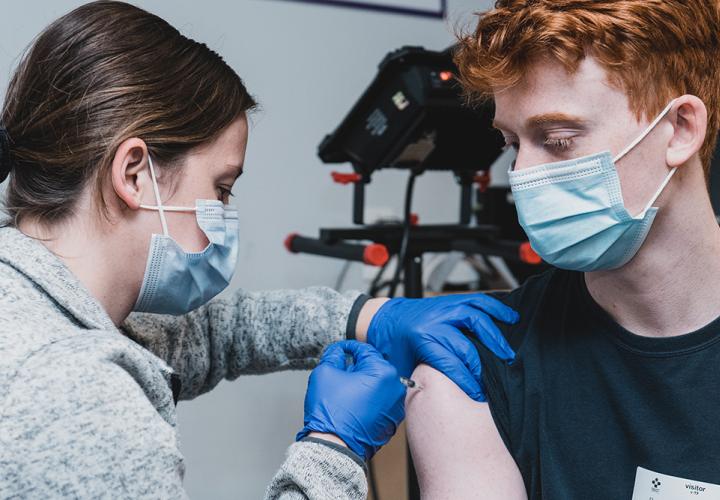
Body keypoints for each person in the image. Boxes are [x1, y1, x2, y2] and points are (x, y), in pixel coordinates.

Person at [0, 2, 519, 498]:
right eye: (222, 188)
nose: (225, 212)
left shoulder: (30, 294)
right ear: (134, 174)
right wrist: (333, 449)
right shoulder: (71, 393)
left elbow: (218, 333)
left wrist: (366, 316)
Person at [405, 0, 720, 498]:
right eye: (512, 143)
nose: (521, 175)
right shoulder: (476, 370)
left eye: (556, 140)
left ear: (680, 128)